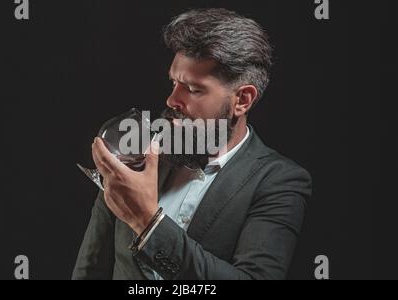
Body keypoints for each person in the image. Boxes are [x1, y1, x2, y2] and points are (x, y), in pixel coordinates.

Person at [72, 8, 312, 280]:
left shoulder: (279, 181)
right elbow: (90, 269)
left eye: (194, 89)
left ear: (242, 100)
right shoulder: (139, 152)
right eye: (173, 82)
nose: (172, 100)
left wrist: (147, 223)